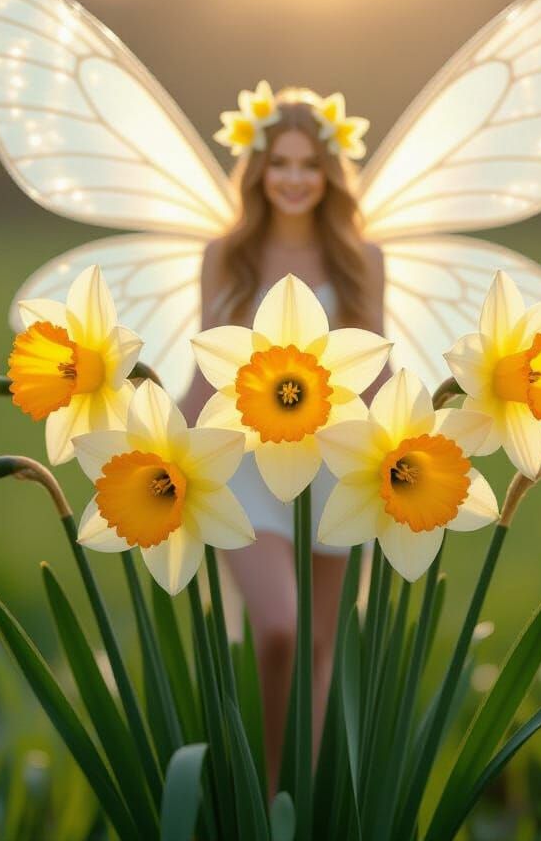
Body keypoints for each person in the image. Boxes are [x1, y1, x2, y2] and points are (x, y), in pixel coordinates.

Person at [180, 90, 387, 792]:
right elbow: (202, 375)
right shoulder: (225, 256)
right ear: (257, 171)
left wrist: (409, 451)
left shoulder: (361, 259)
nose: (294, 178)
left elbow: (379, 370)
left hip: (332, 470)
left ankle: (310, 802)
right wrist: (161, 451)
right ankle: (268, 793)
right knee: (281, 632)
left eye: (308, 165)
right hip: (244, 469)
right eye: (278, 163)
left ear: (330, 174)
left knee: (321, 649)